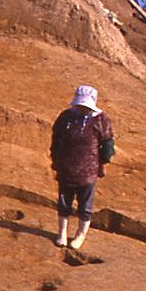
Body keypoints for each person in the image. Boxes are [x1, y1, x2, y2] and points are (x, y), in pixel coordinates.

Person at [50, 85, 115, 250]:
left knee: (85, 205)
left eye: (85, 106)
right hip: (66, 166)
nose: (82, 109)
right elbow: (56, 138)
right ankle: (62, 233)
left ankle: (80, 235)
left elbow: (107, 144)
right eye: (80, 106)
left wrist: (104, 162)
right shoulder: (66, 117)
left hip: (88, 169)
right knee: (64, 202)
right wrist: (55, 158)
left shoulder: (101, 120)